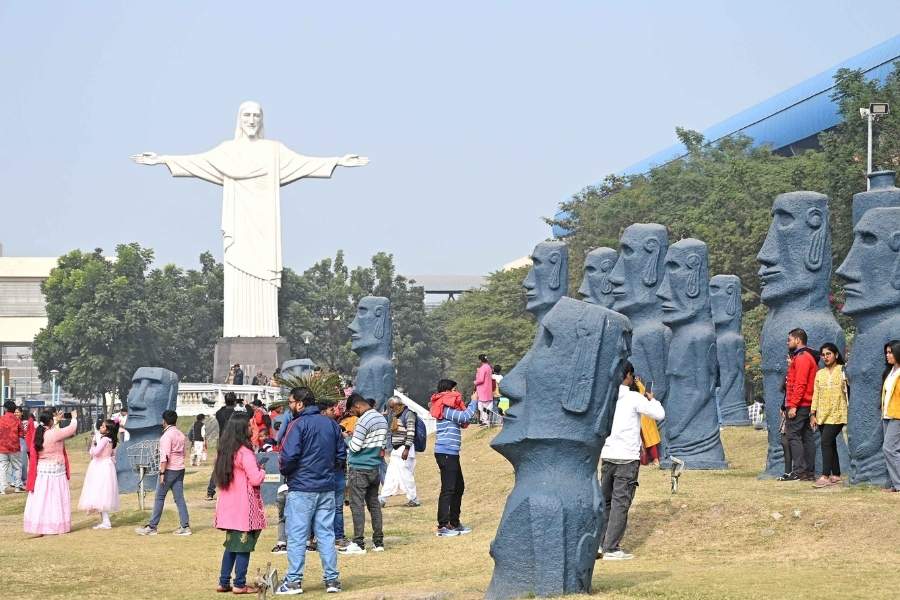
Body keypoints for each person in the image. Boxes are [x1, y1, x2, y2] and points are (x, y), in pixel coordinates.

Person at [275, 389, 346, 595]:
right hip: (326, 487)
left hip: (302, 487)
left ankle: (294, 582)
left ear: (299, 404)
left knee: (297, 536)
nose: (289, 406)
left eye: (290, 402)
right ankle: (332, 580)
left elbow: (287, 456)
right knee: (326, 534)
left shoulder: (297, 425)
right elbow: (341, 455)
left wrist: (288, 473)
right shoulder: (331, 424)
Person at [599, 362, 665, 560]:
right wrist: (652, 400)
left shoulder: (605, 397)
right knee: (621, 502)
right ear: (628, 375)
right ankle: (612, 548)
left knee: (606, 502)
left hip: (608, 454)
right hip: (627, 457)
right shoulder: (633, 397)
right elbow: (659, 415)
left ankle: (601, 544)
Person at [213, 412, 267, 594]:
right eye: (250, 425)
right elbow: (255, 479)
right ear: (243, 428)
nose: (253, 427)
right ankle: (239, 584)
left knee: (231, 546)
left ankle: (223, 581)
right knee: (243, 547)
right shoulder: (245, 453)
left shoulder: (225, 451)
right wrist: (263, 471)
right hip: (244, 508)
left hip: (228, 507)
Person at [429, 378, 478, 537]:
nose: (456, 394)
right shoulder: (444, 408)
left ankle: (454, 522)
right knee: (449, 488)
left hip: (451, 453)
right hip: (446, 452)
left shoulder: (446, 407)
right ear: (448, 391)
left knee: (458, 487)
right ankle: (443, 526)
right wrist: (474, 401)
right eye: (454, 390)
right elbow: (465, 417)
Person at [341, 393, 388, 555]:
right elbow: (381, 444)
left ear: (357, 406)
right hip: (374, 467)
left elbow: (355, 447)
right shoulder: (381, 418)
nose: (354, 415)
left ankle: (359, 543)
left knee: (357, 505)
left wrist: (346, 438)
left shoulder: (364, 420)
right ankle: (378, 542)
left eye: (353, 412)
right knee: (374, 504)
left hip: (359, 467)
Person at [135, 410, 191, 536]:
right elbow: (184, 453)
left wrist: (161, 473)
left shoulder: (166, 436)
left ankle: (152, 527)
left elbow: (164, 457)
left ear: (164, 421)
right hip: (180, 469)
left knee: (159, 497)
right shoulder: (181, 434)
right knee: (179, 498)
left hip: (169, 470)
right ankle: (185, 526)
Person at [23, 410, 77, 535]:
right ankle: (57, 525)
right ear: (51, 421)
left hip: (42, 470)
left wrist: (56, 420)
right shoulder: (53, 434)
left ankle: (40, 525)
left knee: (42, 499)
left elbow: (51, 429)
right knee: (56, 498)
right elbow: (72, 429)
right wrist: (74, 418)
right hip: (55, 469)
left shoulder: (39, 432)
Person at [781, 328, 818, 481]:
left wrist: (793, 405)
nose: (787, 342)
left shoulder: (802, 357)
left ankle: (799, 471)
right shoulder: (803, 357)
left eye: (789, 339)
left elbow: (800, 383)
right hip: (805, 404)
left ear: (798, 340)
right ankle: (808, 472)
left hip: (800, 403)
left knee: (793, 436)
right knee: (807, 436)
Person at [272, 389, 306, 554]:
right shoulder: (316, 420)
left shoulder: (290, 419)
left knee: (286, 510)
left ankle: (283, 541)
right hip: (309, 474)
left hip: (292, 467)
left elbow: (279, 437)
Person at [810, 343, 848, 488]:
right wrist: (812, 414)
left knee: (825, 441)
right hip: (822, 414)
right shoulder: (820, 374)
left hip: (838, 413)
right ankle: (836, 475)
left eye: (828, 354)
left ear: (836, 355)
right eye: (823, 355)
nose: (825, 357)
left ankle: (825, 475)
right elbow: (816, 395)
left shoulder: (843, 370)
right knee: (830, 443)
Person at [77, 419, 120, 529]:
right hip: (106, 465)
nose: (101, 427)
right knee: (102, 492)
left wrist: (92, 445)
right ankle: (105, 520)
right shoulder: (111, 440)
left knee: (99, 492)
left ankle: (106, 521)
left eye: (103, 426)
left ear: (108, 430)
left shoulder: (105, 439)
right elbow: (113, 455)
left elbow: (95, 452)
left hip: (100, 466)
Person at [379, 396, 420, 508]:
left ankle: (414, 498)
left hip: (404, 449)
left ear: (398, 405)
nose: (391, 409)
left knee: (406, 476)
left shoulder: (409, 414)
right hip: (397, 450)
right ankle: (382, 498)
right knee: (390, 475)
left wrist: (406, 448)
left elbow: (411, 432)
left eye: (392, 407)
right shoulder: (395, 415)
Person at [207, 392, 237, 501]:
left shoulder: (220, 413)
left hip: (222, 442)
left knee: (219, 466)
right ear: (234, 402)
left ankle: (210, 491)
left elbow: (220, 410)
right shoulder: (235, 414)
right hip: (233, 442)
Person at [881, 340, 900, 493]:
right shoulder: (890, 371)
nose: (888, 355)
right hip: (887, 414)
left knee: (889, 448)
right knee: (892, 449)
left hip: (897, 415)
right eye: (886, 352)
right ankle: (895, 484)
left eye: (890, 352)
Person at [0, 400, 25, 494]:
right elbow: (22, 434)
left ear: (5, 409)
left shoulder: (1, 419)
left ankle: (3, 489)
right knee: (17, 467)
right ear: (14, 409)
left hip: (2, 447)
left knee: (3, 467)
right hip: (14, 447)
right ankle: (17, 487)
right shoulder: (17, 420)